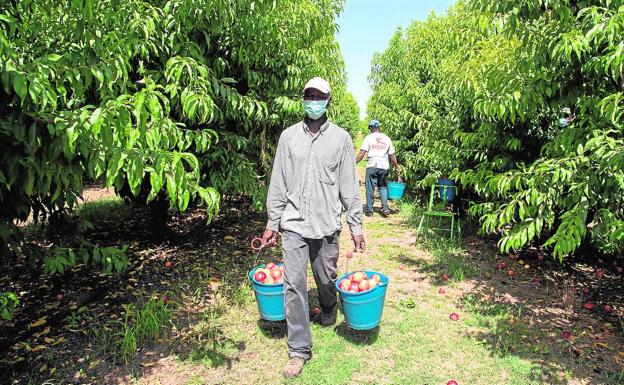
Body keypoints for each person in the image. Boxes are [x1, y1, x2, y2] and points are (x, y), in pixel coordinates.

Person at [261, 77, 366, 378]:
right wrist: (272, 222)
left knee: (325, 277)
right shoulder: (289, 137)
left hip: (326, 224)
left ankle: (329, 306)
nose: (314, 100)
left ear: (328, 100)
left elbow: (349, 185)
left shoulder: (342, 139)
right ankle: (299, 350)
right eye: (310, 95)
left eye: (320, 96)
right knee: (293, 284)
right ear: (303, 99)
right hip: (293, 224)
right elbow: (278, 182)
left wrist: (355, 226)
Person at [356, 119, 401, 217]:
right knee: (383, 187)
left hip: (372, 166)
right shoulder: (387, 138)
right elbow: (392, 154)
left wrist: (353, 163)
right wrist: (396, 166)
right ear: (379, 127)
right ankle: (385, 208)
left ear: (371, 128)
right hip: (384, 167)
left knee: (369, 188)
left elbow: (362, 152)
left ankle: (369, 211)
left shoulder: (369, 138)